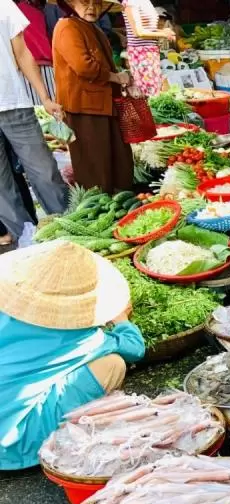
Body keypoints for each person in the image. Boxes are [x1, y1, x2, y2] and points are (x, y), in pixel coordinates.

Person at [0, 240, 146, 470]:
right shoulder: (83, 337)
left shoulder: (6, 311)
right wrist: (121, 320)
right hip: (14, 442)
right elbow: (135, 348)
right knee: (113, 364)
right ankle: (60, 435)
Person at [0, 0, 67, 250]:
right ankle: (26, 240)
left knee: (43, 170)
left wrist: (45, 98)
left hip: (13, 104)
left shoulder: (4, 6)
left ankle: (67, 226)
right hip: (12, 104)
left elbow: (22, 53)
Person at [53, 0, 133, 193]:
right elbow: (83, 66)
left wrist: (123, 77)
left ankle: (121, 200)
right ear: (71, 4)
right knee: (94, 163)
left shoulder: (93, 28)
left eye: (96, 3)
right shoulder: (67, 26)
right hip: (84, 106)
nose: (91, 7)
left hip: (104, 103)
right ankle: (101, 207)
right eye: (84, 2)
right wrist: (116, 77)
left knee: (118, 158)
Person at [121, 0, 171, 97]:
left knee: (154, 89)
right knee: (148, 92)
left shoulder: (146, 2)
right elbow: (138, 32)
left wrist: (161, 31)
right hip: (140, 54)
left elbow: (147, 29)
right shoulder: (131, 2)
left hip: (151, 52)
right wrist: (163, 33)